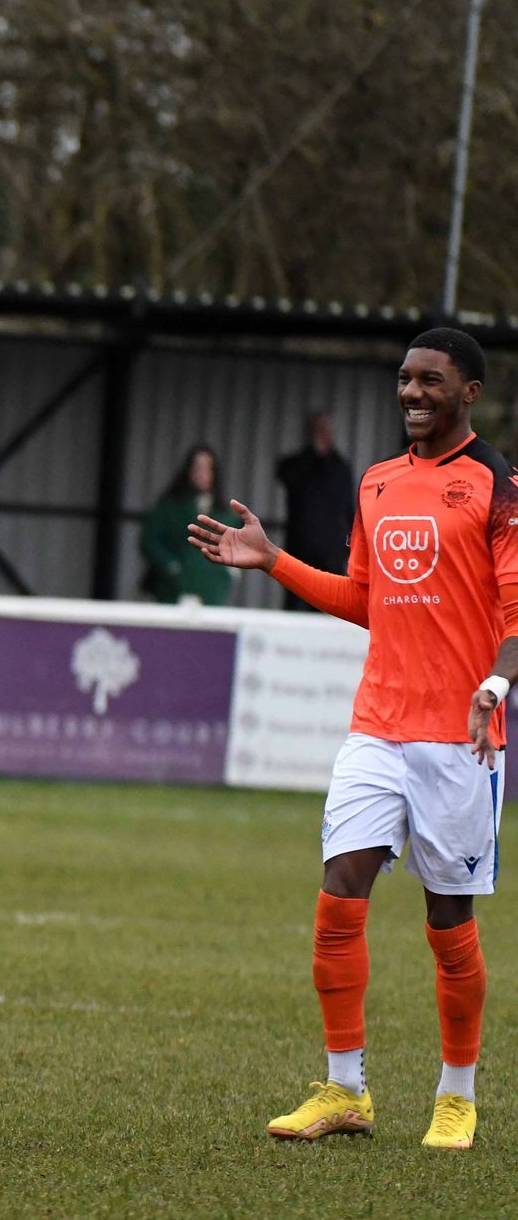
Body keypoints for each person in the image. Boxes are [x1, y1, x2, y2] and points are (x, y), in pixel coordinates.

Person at [190, 328, 513, 1151]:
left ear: (469, 392)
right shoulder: (375, 482)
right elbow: (368, 598)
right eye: (405, 378)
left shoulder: (498, 486)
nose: (412, 392)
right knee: (339, 893)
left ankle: (457, 1097)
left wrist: (497, 684)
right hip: (377, 726)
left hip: (461, 738)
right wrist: (275, 562)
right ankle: (345, 1090)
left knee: (448, 921)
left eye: (431, 380)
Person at [276, 413, 358, 611]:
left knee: (329, 604)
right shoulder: (297, 464)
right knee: (296, 604)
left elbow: (349, 509)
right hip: (300, 549)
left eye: (325, 429)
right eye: (317, 430)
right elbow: (286, 476)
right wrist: (313, 454)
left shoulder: (340, 467)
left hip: (331, 551)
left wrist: (352, 545)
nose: (322, 434)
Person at [140, 446, 236, 605]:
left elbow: (239, 545)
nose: (202, 474)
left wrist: (230, 571)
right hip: (174, 589)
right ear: (189, 470)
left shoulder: (226, 513)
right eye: (198, 467)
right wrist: (171, 566)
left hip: (212, 591)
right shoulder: (169, 507)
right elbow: (149, 540)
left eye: (208, 468)